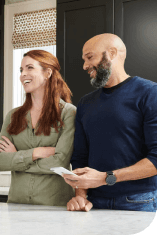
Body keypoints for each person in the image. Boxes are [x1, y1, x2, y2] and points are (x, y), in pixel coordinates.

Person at [62, 33, 157, 212]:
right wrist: (80, 196)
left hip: (138, 202)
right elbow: (80, 157)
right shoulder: (85, 102)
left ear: (112, 53)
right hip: (93, 202)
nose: (85, 66)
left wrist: (106, 178)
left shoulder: (150, 93)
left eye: (90, 57)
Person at [0, 50, 76, 206]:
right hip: (16, 205)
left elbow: (59, 163)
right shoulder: (13, 116)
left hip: (54, 206)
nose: (23, 74)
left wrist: (16, 157)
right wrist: (36, 153)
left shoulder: (68, 112)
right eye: (21, 70)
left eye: (30, 68)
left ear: (48, 73)